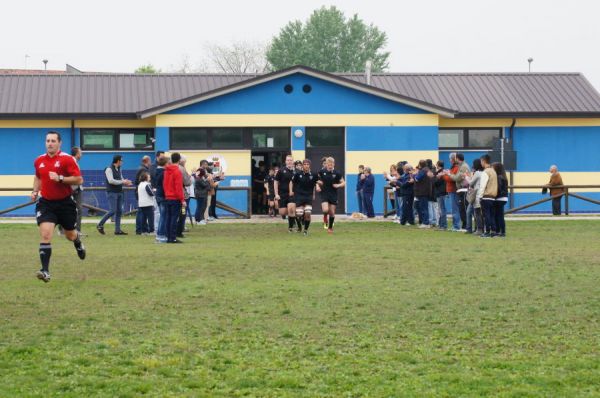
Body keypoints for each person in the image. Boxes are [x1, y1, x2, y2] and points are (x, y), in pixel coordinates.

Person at [32, 131, 86, 283]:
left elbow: (79, 179)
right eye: (48, 141)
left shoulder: (67, 160)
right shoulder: (39, 160)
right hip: (46, 203)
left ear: (59, 143)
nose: (50, 143)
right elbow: (38, 176)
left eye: (53, 141)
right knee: (46, 235)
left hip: (65, 203)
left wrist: (60, 178)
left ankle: (78, 243)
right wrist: (35, 190)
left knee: (70, 235)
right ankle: (45, 271)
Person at [96, 155, 132, 235]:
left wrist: (126, 182)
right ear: (118, 161)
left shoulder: (119, 169)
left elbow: (121, 179)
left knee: (119, 211)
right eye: (122, 160)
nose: (122, 162)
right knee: (113, 210)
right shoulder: (108, 169)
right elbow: (111, 181)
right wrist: (123, 182)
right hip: (112, 192)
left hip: (119, 192)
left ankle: (117, 230)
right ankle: (100, 224)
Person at [317, 157, 346, 233]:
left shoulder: (337, 173)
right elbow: (316, 180)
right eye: (328, 164)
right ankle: (325, 218)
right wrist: (318, 185)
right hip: (324, 193)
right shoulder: (321, 172)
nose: (330, 166)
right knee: (325, 210)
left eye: (331, 164)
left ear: (334, 164)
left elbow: (343, 183)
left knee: (332, 212)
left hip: (333, 194)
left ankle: (330, 228)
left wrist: (338, 185)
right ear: (326, 164)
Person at [291, 159, 318, 235]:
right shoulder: (297, 174)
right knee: (299, 214)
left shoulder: (314, 174)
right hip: (299, 196)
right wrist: (291, 191)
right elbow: (291, 182)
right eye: (305, 164)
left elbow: (317, 182)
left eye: (307, 164)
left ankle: (305, 230)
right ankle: (299, 226)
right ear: (302, 165)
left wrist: (317, 188)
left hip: (308, 196)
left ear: (310, 165)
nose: (306, 165)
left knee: (308, 212)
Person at [163, 152, 186, 243]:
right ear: (179, 160)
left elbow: (165, 185)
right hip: (175, 198)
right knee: (174, 218)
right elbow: (178, 187)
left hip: (167, 197)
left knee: (168, 218)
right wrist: (182, 199)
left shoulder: (166, 171)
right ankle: (173, 237)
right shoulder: (177, 171)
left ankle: (168, 237)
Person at [274, 155, 298, 232]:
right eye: (288, 160)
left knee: (291, 209)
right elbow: (276, 182)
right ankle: (293, 217)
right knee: (282, 212)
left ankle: (291, 227)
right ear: (285, 161)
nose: (289, 162)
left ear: (293, 161)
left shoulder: (297, 171)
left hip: (293, 194)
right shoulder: (281, 171)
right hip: (282, 194)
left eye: (291, 160)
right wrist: (276, 194)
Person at [477, 154, 498, 238]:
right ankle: (493, 231)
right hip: (493, 197)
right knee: (492, 215)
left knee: (486, 215)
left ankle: (487, 232)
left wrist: (479, 196)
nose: (481, 163)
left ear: (483, 161)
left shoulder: (485, 172)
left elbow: (482, 185)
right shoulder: (493, 171)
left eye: (481, 161)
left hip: (486, 196)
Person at [449, 153, 470, 230]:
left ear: (457, 159)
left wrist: (449, 174)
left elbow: (457, 178)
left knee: (464, 209)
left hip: (463, 190)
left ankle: (466, 225)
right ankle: (465, 225)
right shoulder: (461, 166)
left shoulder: (463, 167)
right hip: (461, 189)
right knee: (462, 209)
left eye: (455, 158)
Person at [465, 159, 484, 235]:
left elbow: (471, 183)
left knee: (477, 213)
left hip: (476, 195)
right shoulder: (483, 173)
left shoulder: (477, 173)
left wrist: (466, 177)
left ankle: (479, 229)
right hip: (482, 194)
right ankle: (479, 229)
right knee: (479, 213)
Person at [135, 155, 152, 235]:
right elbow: (141, 180)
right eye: (150, 161)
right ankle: (141, 229)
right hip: (142, 194)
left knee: (141, 212)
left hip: (140, 192)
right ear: (147, 161)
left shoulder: (141, 168)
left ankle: (141, 229)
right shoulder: (143, 169)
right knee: (141, 212)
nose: (151, 162)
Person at [176, 154, 192, 238]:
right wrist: (191, 177)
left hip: (171, 196)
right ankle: (179, 231)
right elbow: (187, 182)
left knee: (174, 215)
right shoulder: (181, 169)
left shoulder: (169, 168)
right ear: (181, 161)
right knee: (182, 213)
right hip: (181, 195)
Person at [413, 160, 432, 228]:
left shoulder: (422, 171)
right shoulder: (427, 170)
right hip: (426, 191)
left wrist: (414, 174)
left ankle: (425, 223)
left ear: (420, 165)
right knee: (425, 207)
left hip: (422, 192)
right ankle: (425, 222)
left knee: (424, 208)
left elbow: (417, 179)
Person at [154, 155, 168, 243]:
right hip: (163, 196)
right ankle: (161, 235)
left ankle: (159, 234)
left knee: (162, 216)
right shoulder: (163, 173)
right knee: (163, 216)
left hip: (159, 195)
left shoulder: (156, 171)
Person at [136, 171, 155, 235]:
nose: (150, 177)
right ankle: (152, 230)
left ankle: (144, 231)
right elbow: (151, 193)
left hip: (141, 204)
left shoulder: (140, 184)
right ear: (146, 177)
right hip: (148, 203)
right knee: (150, 218)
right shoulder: (147, 184)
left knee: (143, 218)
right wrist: (155, 191)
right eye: (148, 176)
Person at [493, 162, 508, 237]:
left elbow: (498, 189)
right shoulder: (503, 176)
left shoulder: (499, 177)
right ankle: (501, 231)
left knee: (498, 216)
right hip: (503, 198)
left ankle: (500, 231)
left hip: (499, 198)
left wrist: (493, 195)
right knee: (499, 215)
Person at [433, 160, 447, 230]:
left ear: (438, 165)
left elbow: (436, 182)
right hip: (440, 192)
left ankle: (443, 225)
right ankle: (441, 225)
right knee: (440, 209)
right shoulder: (439, 172)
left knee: (442, 209)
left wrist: (434, 177)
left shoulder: (441, 173)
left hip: (440, 192)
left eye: (436, 164)